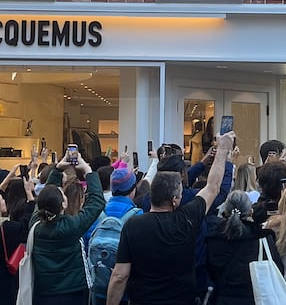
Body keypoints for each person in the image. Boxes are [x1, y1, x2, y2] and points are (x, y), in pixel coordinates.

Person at [106, 131, 235, 305]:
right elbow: (213, 187)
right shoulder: (186, 220)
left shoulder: (133, 224)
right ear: (174, 200)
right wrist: (223, 149)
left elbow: (120, 275)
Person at [30, 151, 105, 305]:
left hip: (42, 292)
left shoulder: (36, 225)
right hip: (71, 291)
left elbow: (46, 197)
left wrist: (57, 169)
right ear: (63, 204)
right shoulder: (71, 226)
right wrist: (88, 171)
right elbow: (97, 202)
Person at [205, 190, 282, 305]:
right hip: (255, 298)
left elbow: (210, 272)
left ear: (225, 211)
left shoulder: (213, 238)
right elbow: (277, 269)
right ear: (251, 211)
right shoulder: (261, 238)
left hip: (223, 298)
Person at [85, 168, 143, 305]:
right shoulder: (138, 216)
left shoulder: (96, 214)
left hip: (97, 288)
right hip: (125, 292)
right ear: (133, 190)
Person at [0, 166, 36, 305]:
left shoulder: (7, 226)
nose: (4, 199)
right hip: (9, 280)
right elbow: (28, 219)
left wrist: (6, 181)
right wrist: (30, 195)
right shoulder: (9, 228)